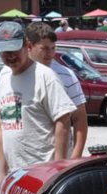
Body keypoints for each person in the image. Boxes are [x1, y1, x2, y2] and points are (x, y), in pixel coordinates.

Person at [0, 22, 76, 178]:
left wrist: (58, 171)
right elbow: (1, 121)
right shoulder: (4, 77)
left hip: (43, 174)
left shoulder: (45, 76)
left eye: (14, 50)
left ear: (27, 46)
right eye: (5, 51)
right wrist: (2, 172)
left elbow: (63, 121)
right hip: (16, 174)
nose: (10, 56)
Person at [26, 22, 88, 159]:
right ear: (29, 46)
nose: (51, 54)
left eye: (53, 48)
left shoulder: (66, 75)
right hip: (25, 160)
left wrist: (75, 157)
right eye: (45, 48)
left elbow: (80, 119)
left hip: (56, 161)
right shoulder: (15, 73)